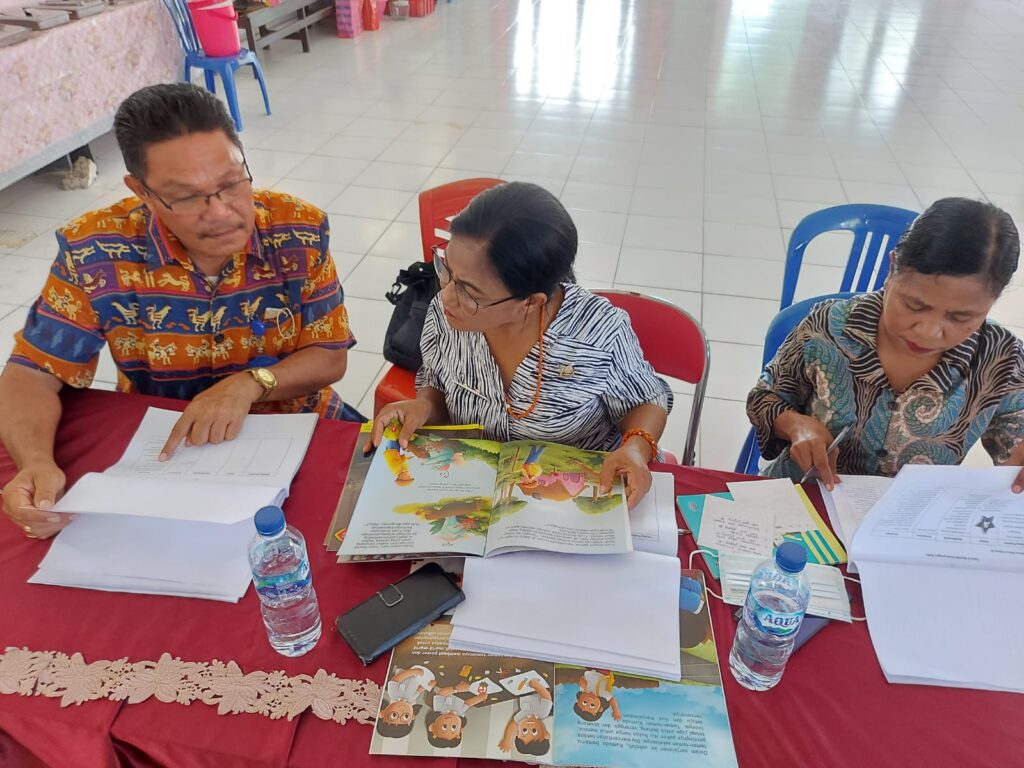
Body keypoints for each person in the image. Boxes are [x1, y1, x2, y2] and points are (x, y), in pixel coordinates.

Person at [0, 83, 358, 540]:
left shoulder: (298, 230)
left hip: (300, 426)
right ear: (141, 190)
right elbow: (32, 372)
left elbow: (330, 354)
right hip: (167, 445)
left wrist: (249, 385)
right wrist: (35, 463)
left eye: (231, 183)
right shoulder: (95, 251)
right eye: (187, 197)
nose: (221, 212)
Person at [370, 182, 672, 508]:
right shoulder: (448, 315)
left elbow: (647, 399)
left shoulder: (598, 334)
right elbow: (436, 380)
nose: (447, 296)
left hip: (566, 500)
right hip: (470, 488)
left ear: (530, 302)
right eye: (447, 270)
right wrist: (424, 406)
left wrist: (635, 448)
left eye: (470, 291)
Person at [747, 197, 1024, 492]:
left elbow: (1015, 430)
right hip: (804, 495)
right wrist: (795, 425)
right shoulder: (828, 327)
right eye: (914, 305)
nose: (928, 332)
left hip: (910, 518)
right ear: (892, 268)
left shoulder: (1001, 357)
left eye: (961, 317)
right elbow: (764, 398)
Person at [375, 665, 436, 739]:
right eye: (405, 716)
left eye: (394, 715)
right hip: (420, 673)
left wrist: (413, 671)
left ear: (383, 713)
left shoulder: (393, 693)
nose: (401, 711)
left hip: (406, 666)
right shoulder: (412, 700)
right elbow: (419, 690)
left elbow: (396, 679)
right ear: (412, 717)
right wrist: (429, 686)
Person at [498, 677, 553, 756]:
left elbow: (512, 725)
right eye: (534, 730)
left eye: (524, 730)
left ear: (518, 732)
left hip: (524, 685)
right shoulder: (543, 712)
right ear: (546, 734)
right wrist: (535, 685)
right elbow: (546, 696)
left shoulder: (522, 717)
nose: (529, 725)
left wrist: (507, 739)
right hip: (539, 681)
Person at [424, 681, 488, 749]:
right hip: (463, 691)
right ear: (460, 729)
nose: (450, 722)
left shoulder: (439, 709)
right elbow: (467, 704)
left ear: (432, 726)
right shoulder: (459, 714)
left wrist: (457, 689)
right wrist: (479, 698)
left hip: (449, 684)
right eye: (454, 727)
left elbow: (441, 693)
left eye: (445, 726)